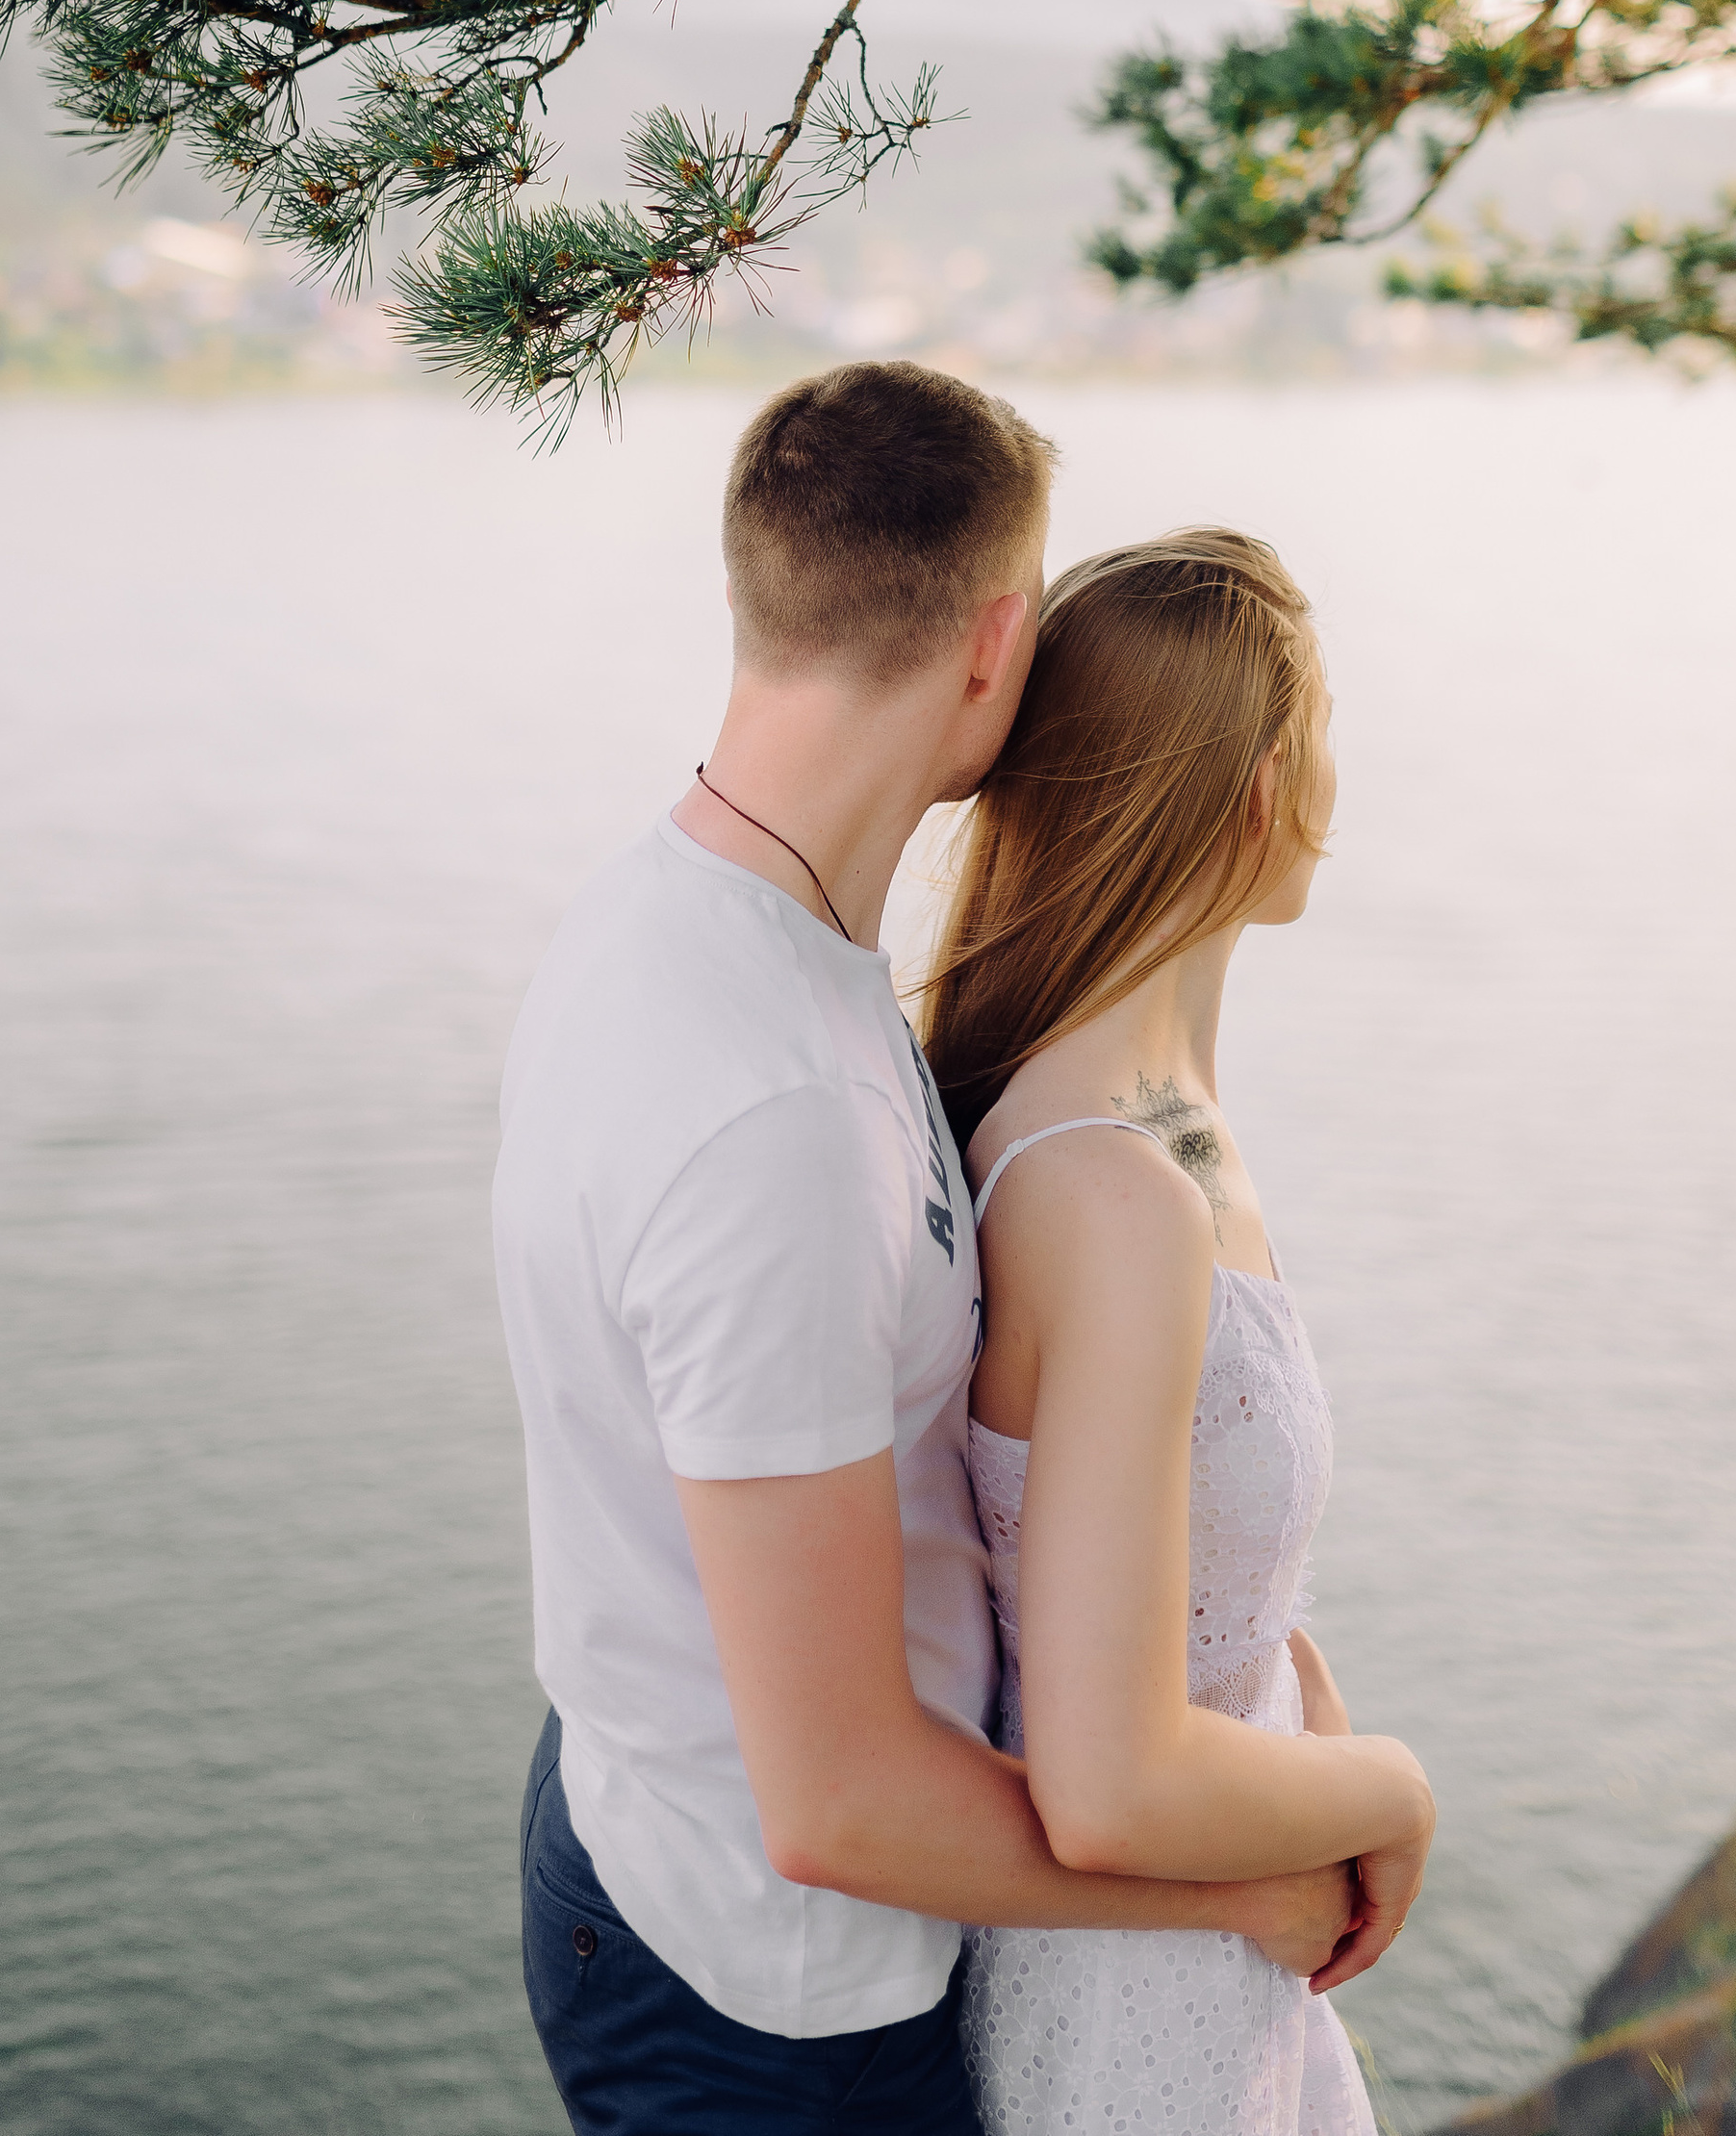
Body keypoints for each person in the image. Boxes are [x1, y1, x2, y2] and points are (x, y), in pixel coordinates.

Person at [493, 366, 1366, 2136]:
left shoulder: (716, 928)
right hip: (765, 1991)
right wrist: (1276, 1864)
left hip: (653, 1822)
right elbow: (838, 1806)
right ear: (995, 643)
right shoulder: (776, 1115)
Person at [921, 528, 1434, 2136]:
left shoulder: (1147, 1135)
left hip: (1215, 1954)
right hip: (1139, 2016)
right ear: (1269, 786)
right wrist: (1392, 1787)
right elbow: (1113, 1780)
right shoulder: (1116, 1194)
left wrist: (1291, 1693)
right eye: (1326, 732)